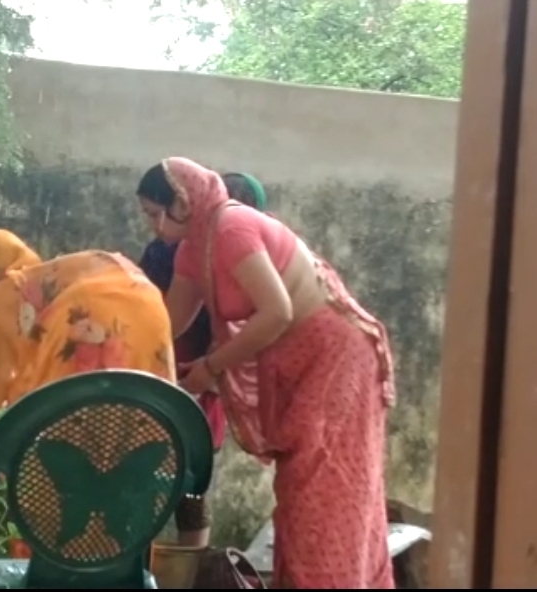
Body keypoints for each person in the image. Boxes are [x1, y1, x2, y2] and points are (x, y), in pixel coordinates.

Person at [134, 158, 397, 589]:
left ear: (182, 202)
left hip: (335, 356)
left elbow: (278, 312)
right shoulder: (192, 249)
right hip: (296, 363)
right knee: (296, 493)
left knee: (324, 494)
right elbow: (167, 323)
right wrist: (117, 333)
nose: (152, 226)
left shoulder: (231, 230)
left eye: (154, 213)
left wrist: (211, 367)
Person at [136, 171, 268, 549]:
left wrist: (210, 368)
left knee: (168, 485)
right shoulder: (177, 253)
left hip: (189, 379)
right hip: (181, 377)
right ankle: (169, 568)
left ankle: (167, 568)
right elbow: (161, 319)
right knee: (179, 486)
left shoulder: (235, 253)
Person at [0, 228, 176, 411]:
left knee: (61, 414)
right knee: (143, 408)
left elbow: (2, 388)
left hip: (92, 308)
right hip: (148, 301)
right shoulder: (45, 277)